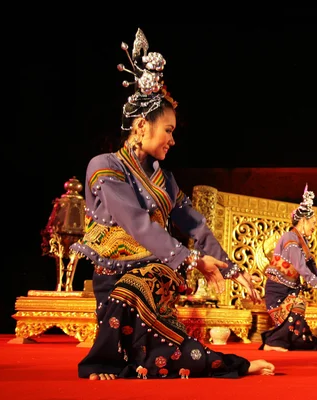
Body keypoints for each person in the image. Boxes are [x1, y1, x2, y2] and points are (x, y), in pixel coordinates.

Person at [70, 28, 274, 380]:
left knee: (166, 349)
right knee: (139, 303)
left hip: (155, 274)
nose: (173, 139)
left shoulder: (165, 179)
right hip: (119, 280)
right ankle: (105, 361)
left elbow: (195, 224)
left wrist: (231, 269)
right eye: (168, 129)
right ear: (140, 126)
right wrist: (192, 259)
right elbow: (137, 223)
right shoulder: (104, 166)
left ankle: (220, 364)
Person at [259, 184, 317, 352]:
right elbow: (301, 267)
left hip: (289, 291)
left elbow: (312, 269)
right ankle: (272, 342)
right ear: (303, 220)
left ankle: (315, 346)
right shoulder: (290, 238)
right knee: (298, 305)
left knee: (298, 326)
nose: (314, 226)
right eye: (313, 222)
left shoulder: (303, 243)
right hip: (277, 291)